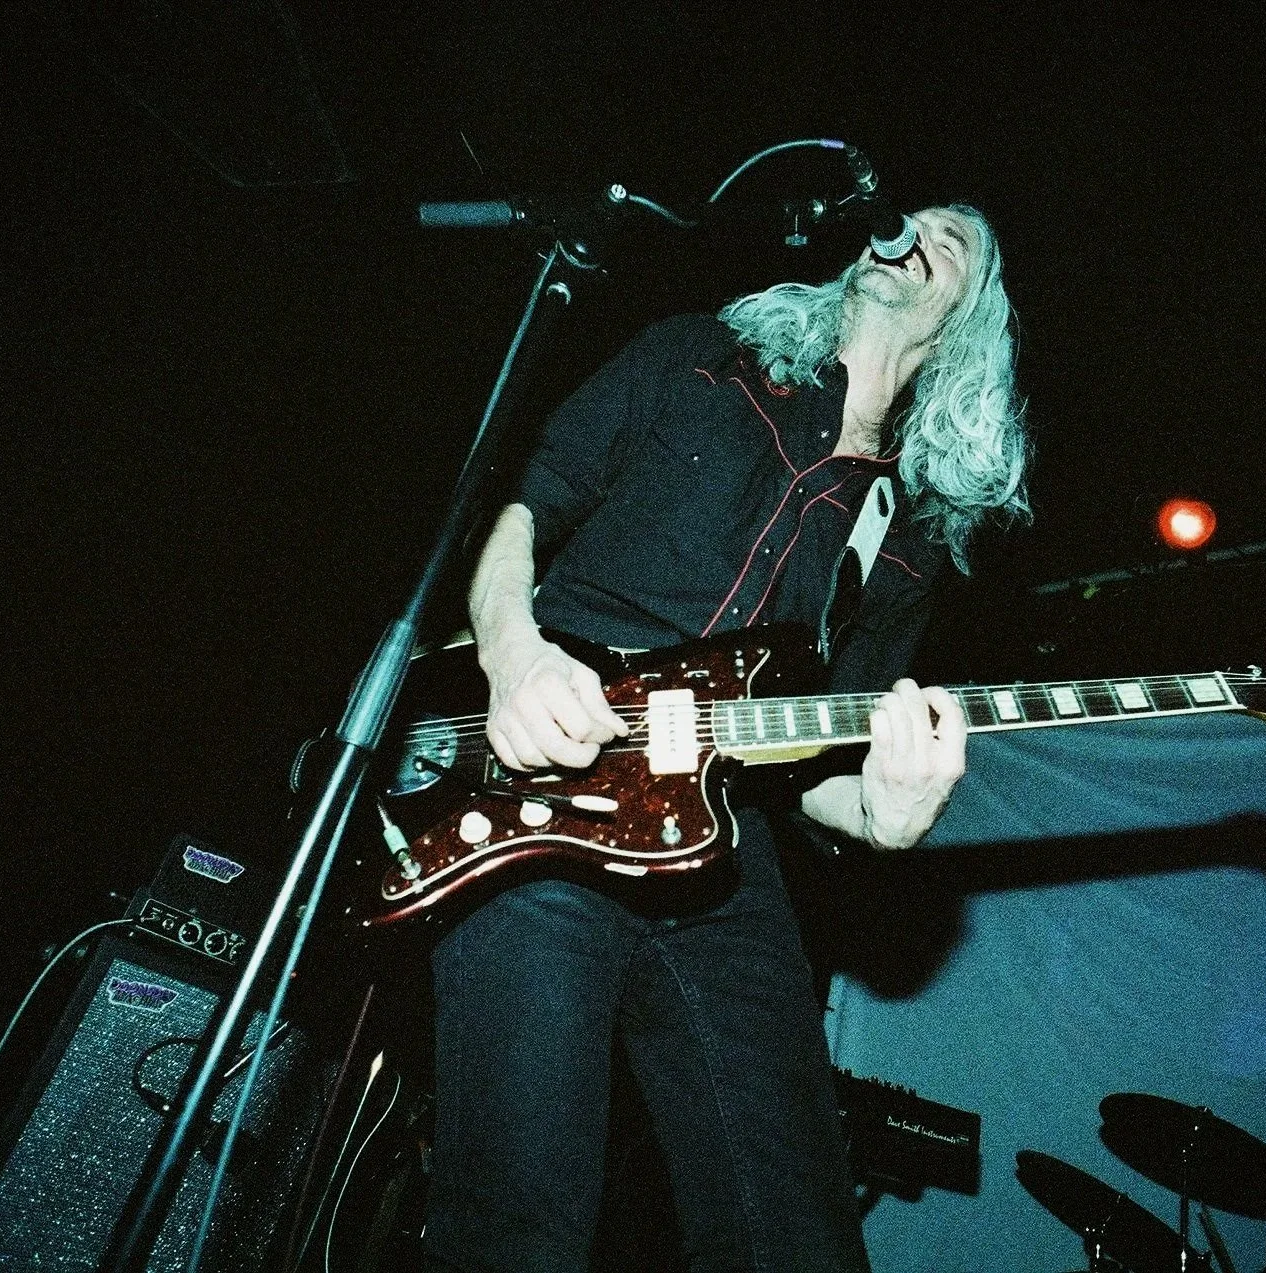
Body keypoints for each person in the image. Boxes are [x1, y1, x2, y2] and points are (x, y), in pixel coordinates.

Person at [422, 206, 1030, 1272]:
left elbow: (817, 765)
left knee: (797, 1235)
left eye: (955, 239)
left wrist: (881, 815)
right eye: (913, 216)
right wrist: (515, 655)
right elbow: (522, 507)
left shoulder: (912, 532)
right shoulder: (700, 352)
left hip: (725, 858)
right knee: (522, 1217)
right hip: (547, 777)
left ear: (974, 316)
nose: (918, 230)